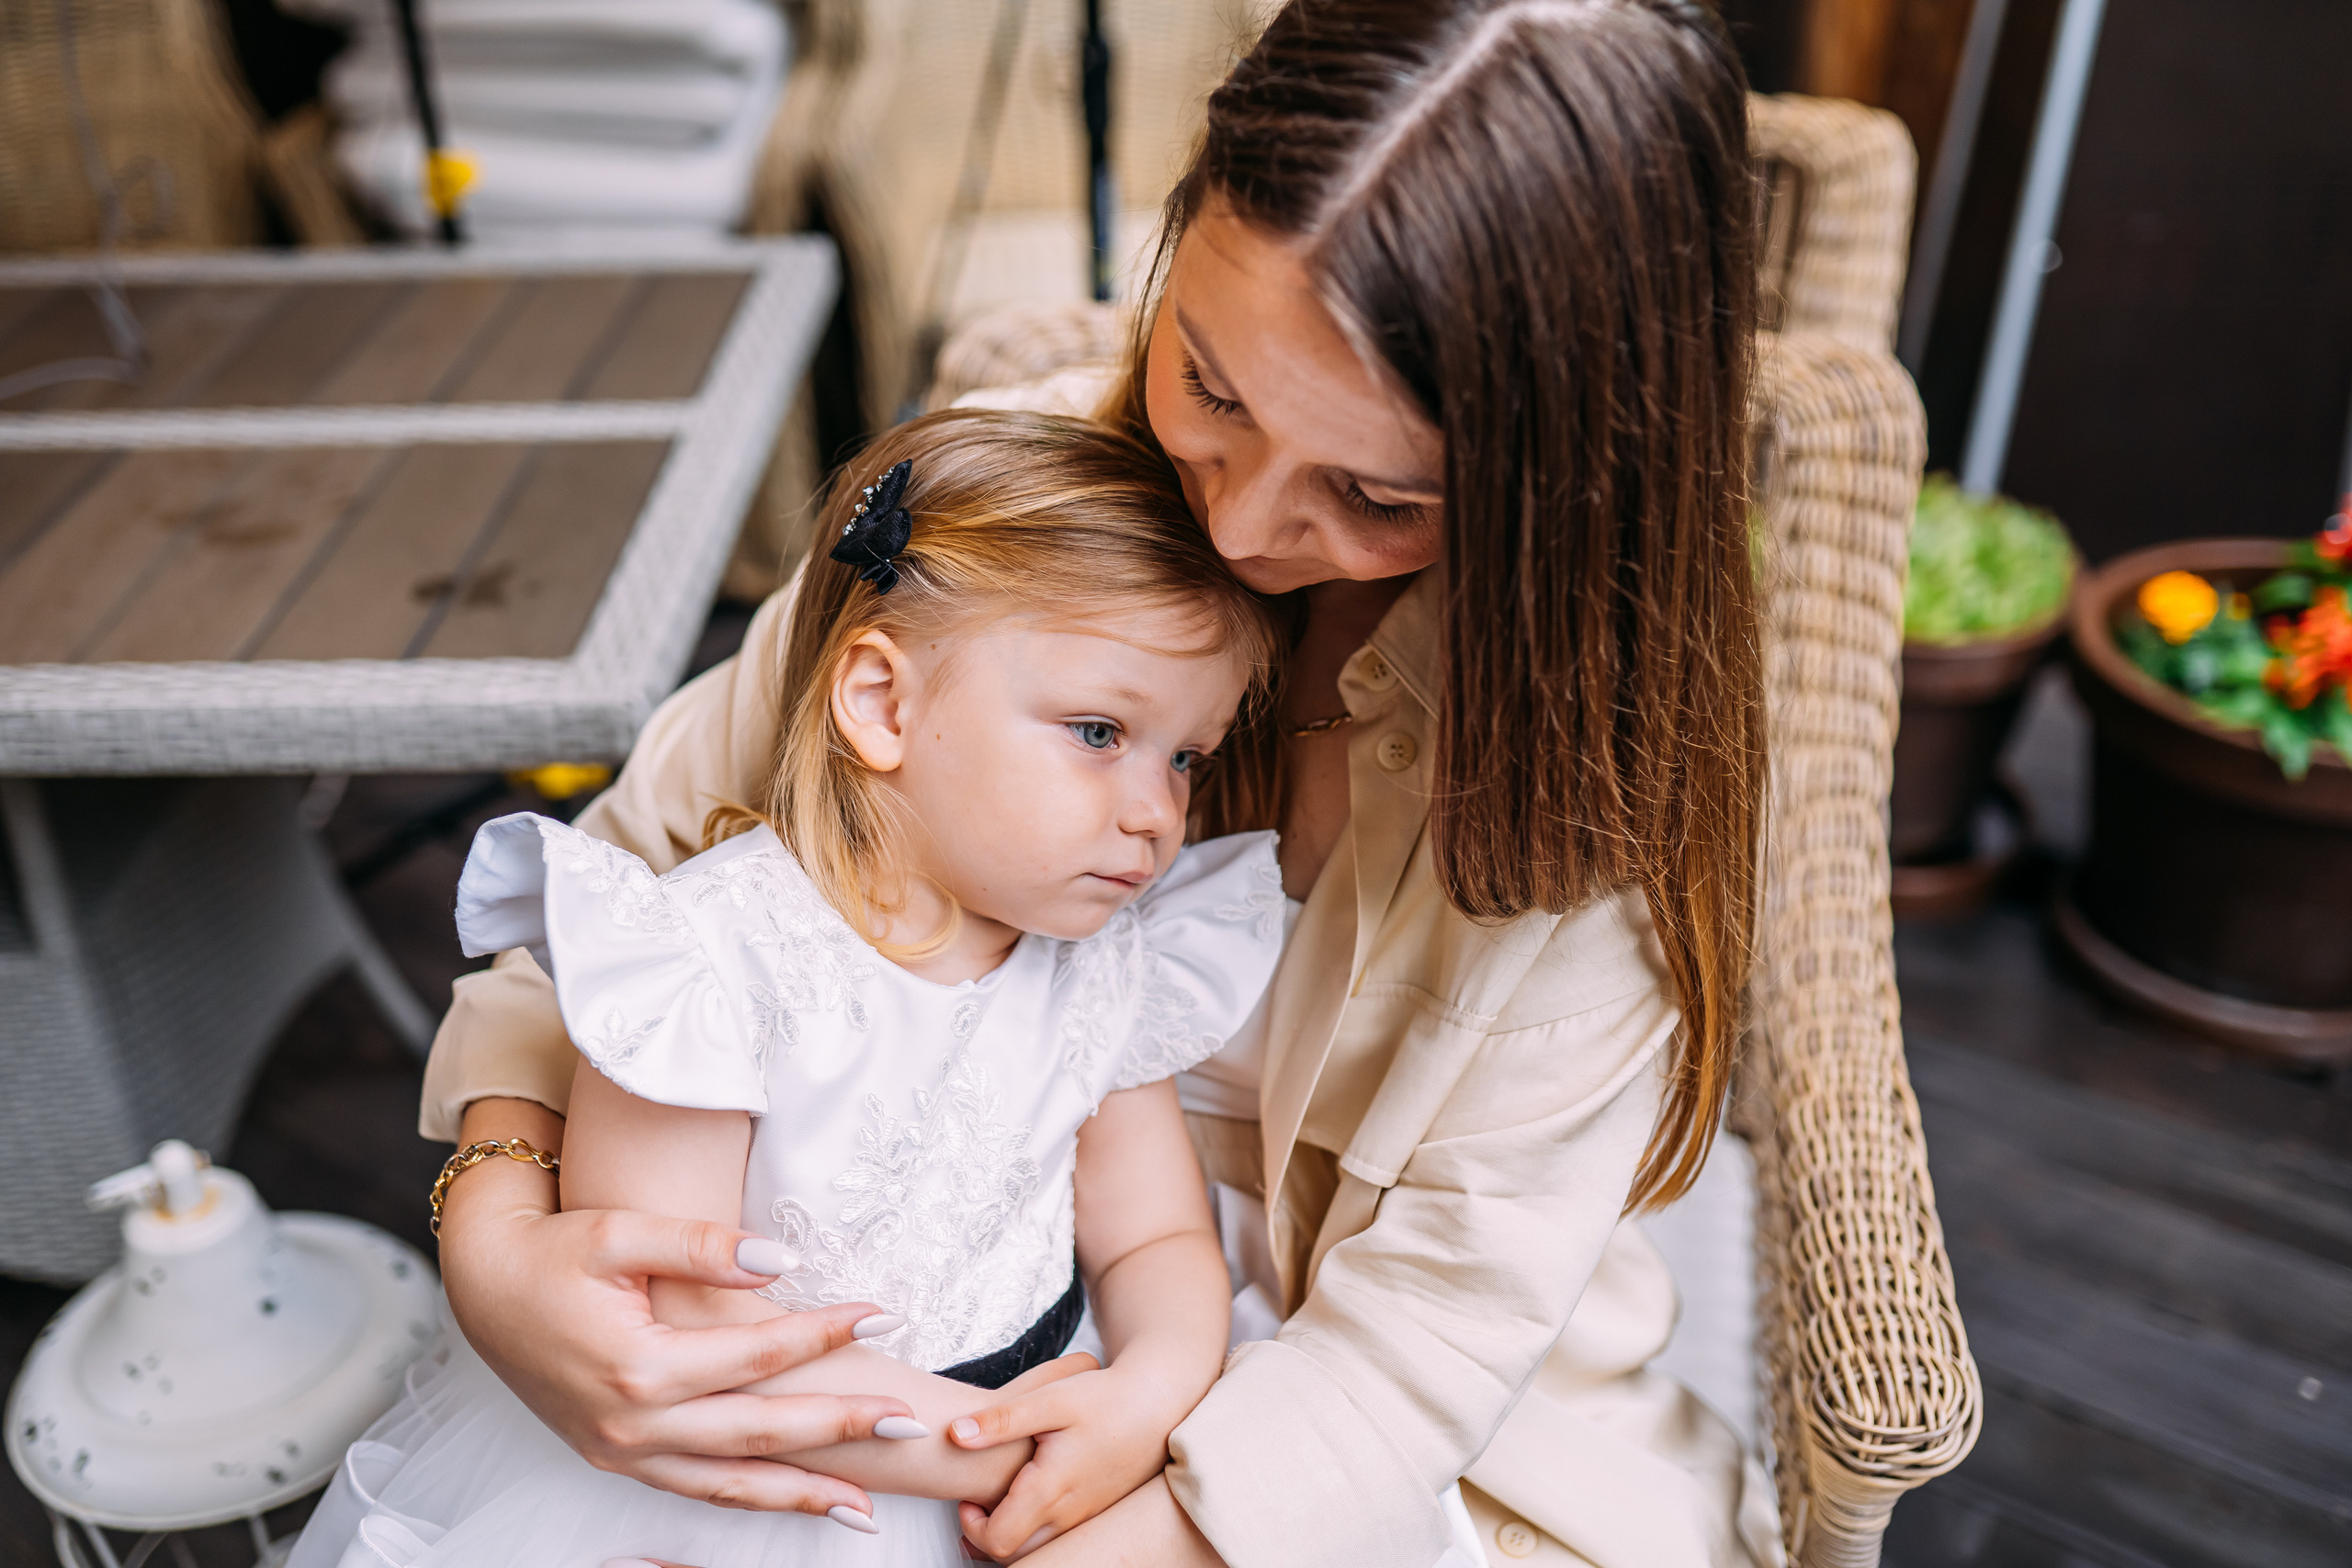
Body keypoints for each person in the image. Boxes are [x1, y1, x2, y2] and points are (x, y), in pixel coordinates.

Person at [419, 2, 1778, 1564]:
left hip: (1352, 1433)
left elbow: (1415, 1358)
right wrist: (498, 1228)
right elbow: (630, 896)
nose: (1249, 528)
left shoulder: (1596, 770)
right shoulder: (979, 538)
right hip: (894, 1401)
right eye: (1211, 386)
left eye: (1376, 493)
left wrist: (1142, 1449)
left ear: (1558, 486)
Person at [294, 412, 1287, 1568]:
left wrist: (1154, 1387)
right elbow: (682, 1312)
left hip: (1056, 1426)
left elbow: (1154, 1230)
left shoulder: (1105, 960)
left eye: (1184, 756)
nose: (1154, 811)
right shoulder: (712, 962)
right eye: (1098, 730)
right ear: (882, 703)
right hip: (771, 1478)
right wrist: (984, 1455)